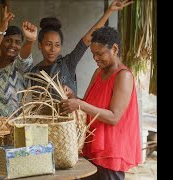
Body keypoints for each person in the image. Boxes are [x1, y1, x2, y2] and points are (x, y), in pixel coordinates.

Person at [59, 26, 141, 180]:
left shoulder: (123, 76)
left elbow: (113, 117)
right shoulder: (98, 72)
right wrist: (73, 96)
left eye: (99, 53)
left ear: (114, 49)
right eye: (93, 54)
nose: (95, 58)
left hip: (111, 150)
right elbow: (89, 104)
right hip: (92, 145)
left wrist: (79, 104)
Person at [30, 0, 133, 99]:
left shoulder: (67, 63)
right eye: (48, 44)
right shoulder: (35, 71)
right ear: (40, 45)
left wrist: (109, 11)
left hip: (69, 117)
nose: (53, 49)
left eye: (57, 45)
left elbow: (88, 39)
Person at [0, 22, 37, 117]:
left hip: (11, 128)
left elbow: (23, 58)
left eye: (18, 42)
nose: (13, 45)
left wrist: (30, 40)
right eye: (8, 40)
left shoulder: (20, 67)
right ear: (0, 42)